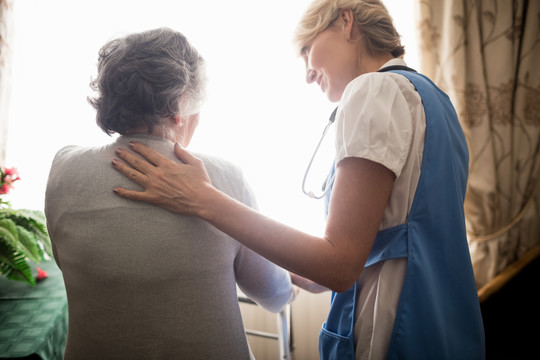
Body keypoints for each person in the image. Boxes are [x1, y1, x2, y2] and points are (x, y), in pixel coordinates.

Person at [111, 1, 485, 359]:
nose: (307, 73)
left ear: (346, 21)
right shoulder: (433, 100)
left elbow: (339, 266)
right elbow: (385, 245)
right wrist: (273, 271)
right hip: (444, 325)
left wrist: (202, 197)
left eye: (306, 50)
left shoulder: (373, 90)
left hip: (393, 329)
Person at [44, 27, 295, 360]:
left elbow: (67, 261)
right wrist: (292, 285)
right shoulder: (223, 176)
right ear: (180, 107)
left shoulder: (64, 168)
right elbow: (273, 295)